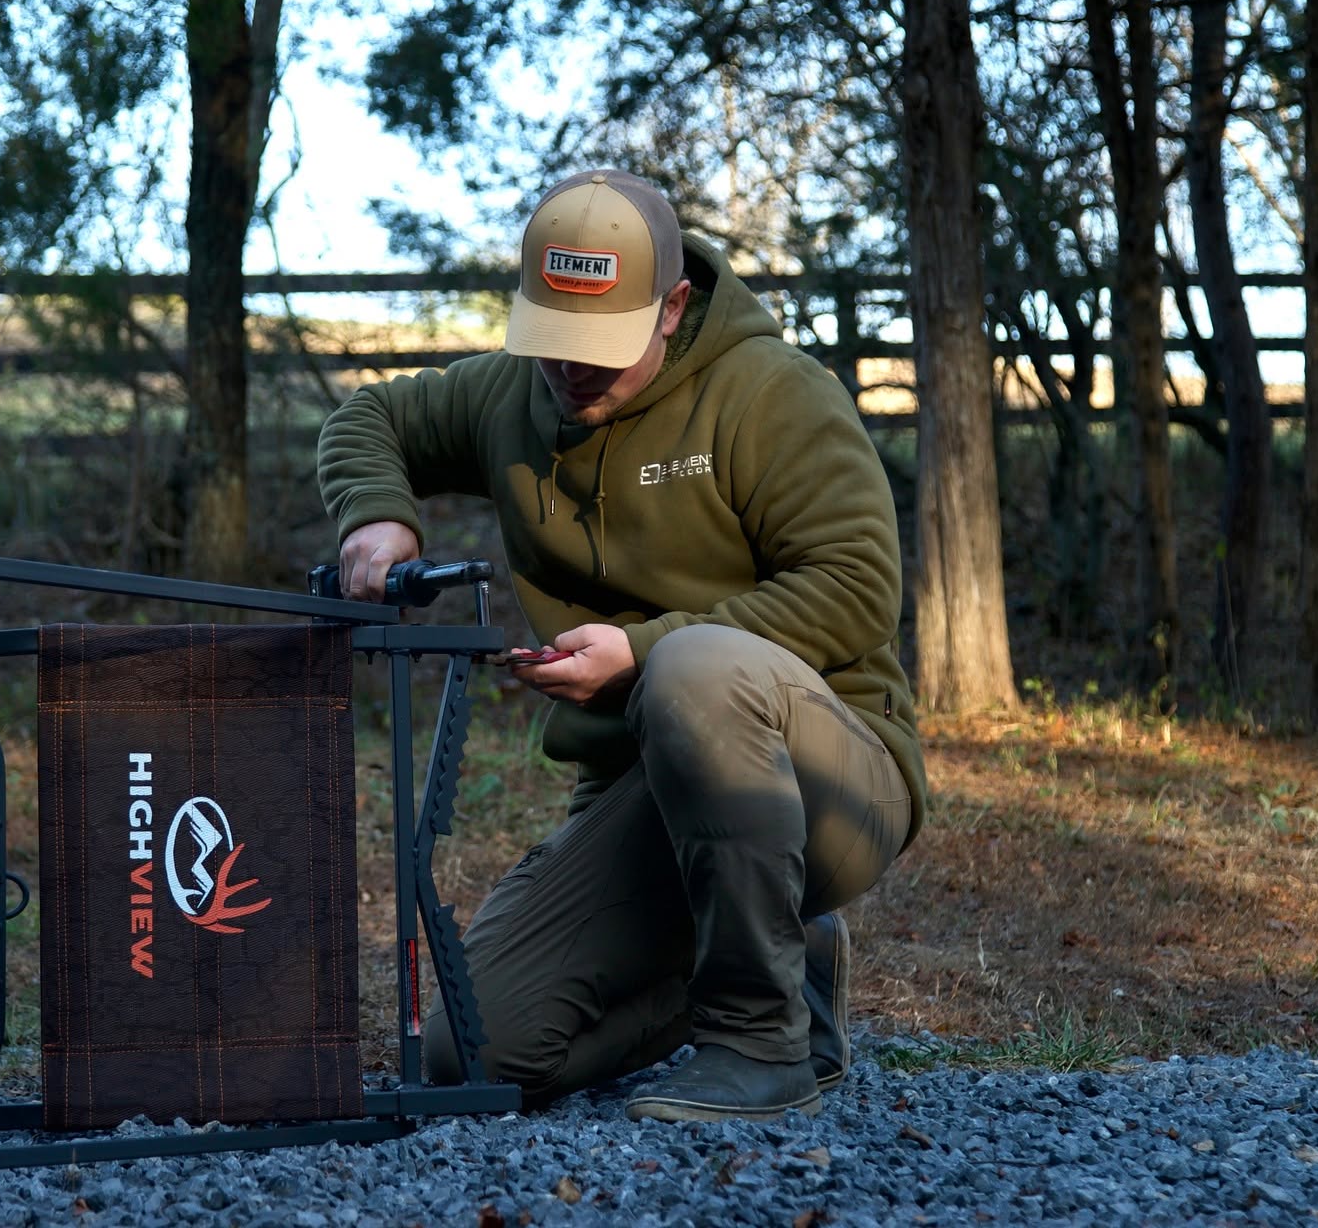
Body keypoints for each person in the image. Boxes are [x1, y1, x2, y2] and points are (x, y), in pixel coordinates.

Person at [316, 169, 924, 1122]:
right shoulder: (511, 399)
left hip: (832, 783)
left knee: (693, 670)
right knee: (472, 1055)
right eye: (555, 340)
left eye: (603, 344)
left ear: (673, 306)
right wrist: (378, 518)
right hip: (646, 798)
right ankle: (782, 969)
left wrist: (644, 651)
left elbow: (853, 590)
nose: (573, 370)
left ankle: (761, 1043)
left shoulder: (770, 394)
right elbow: (370, 418)